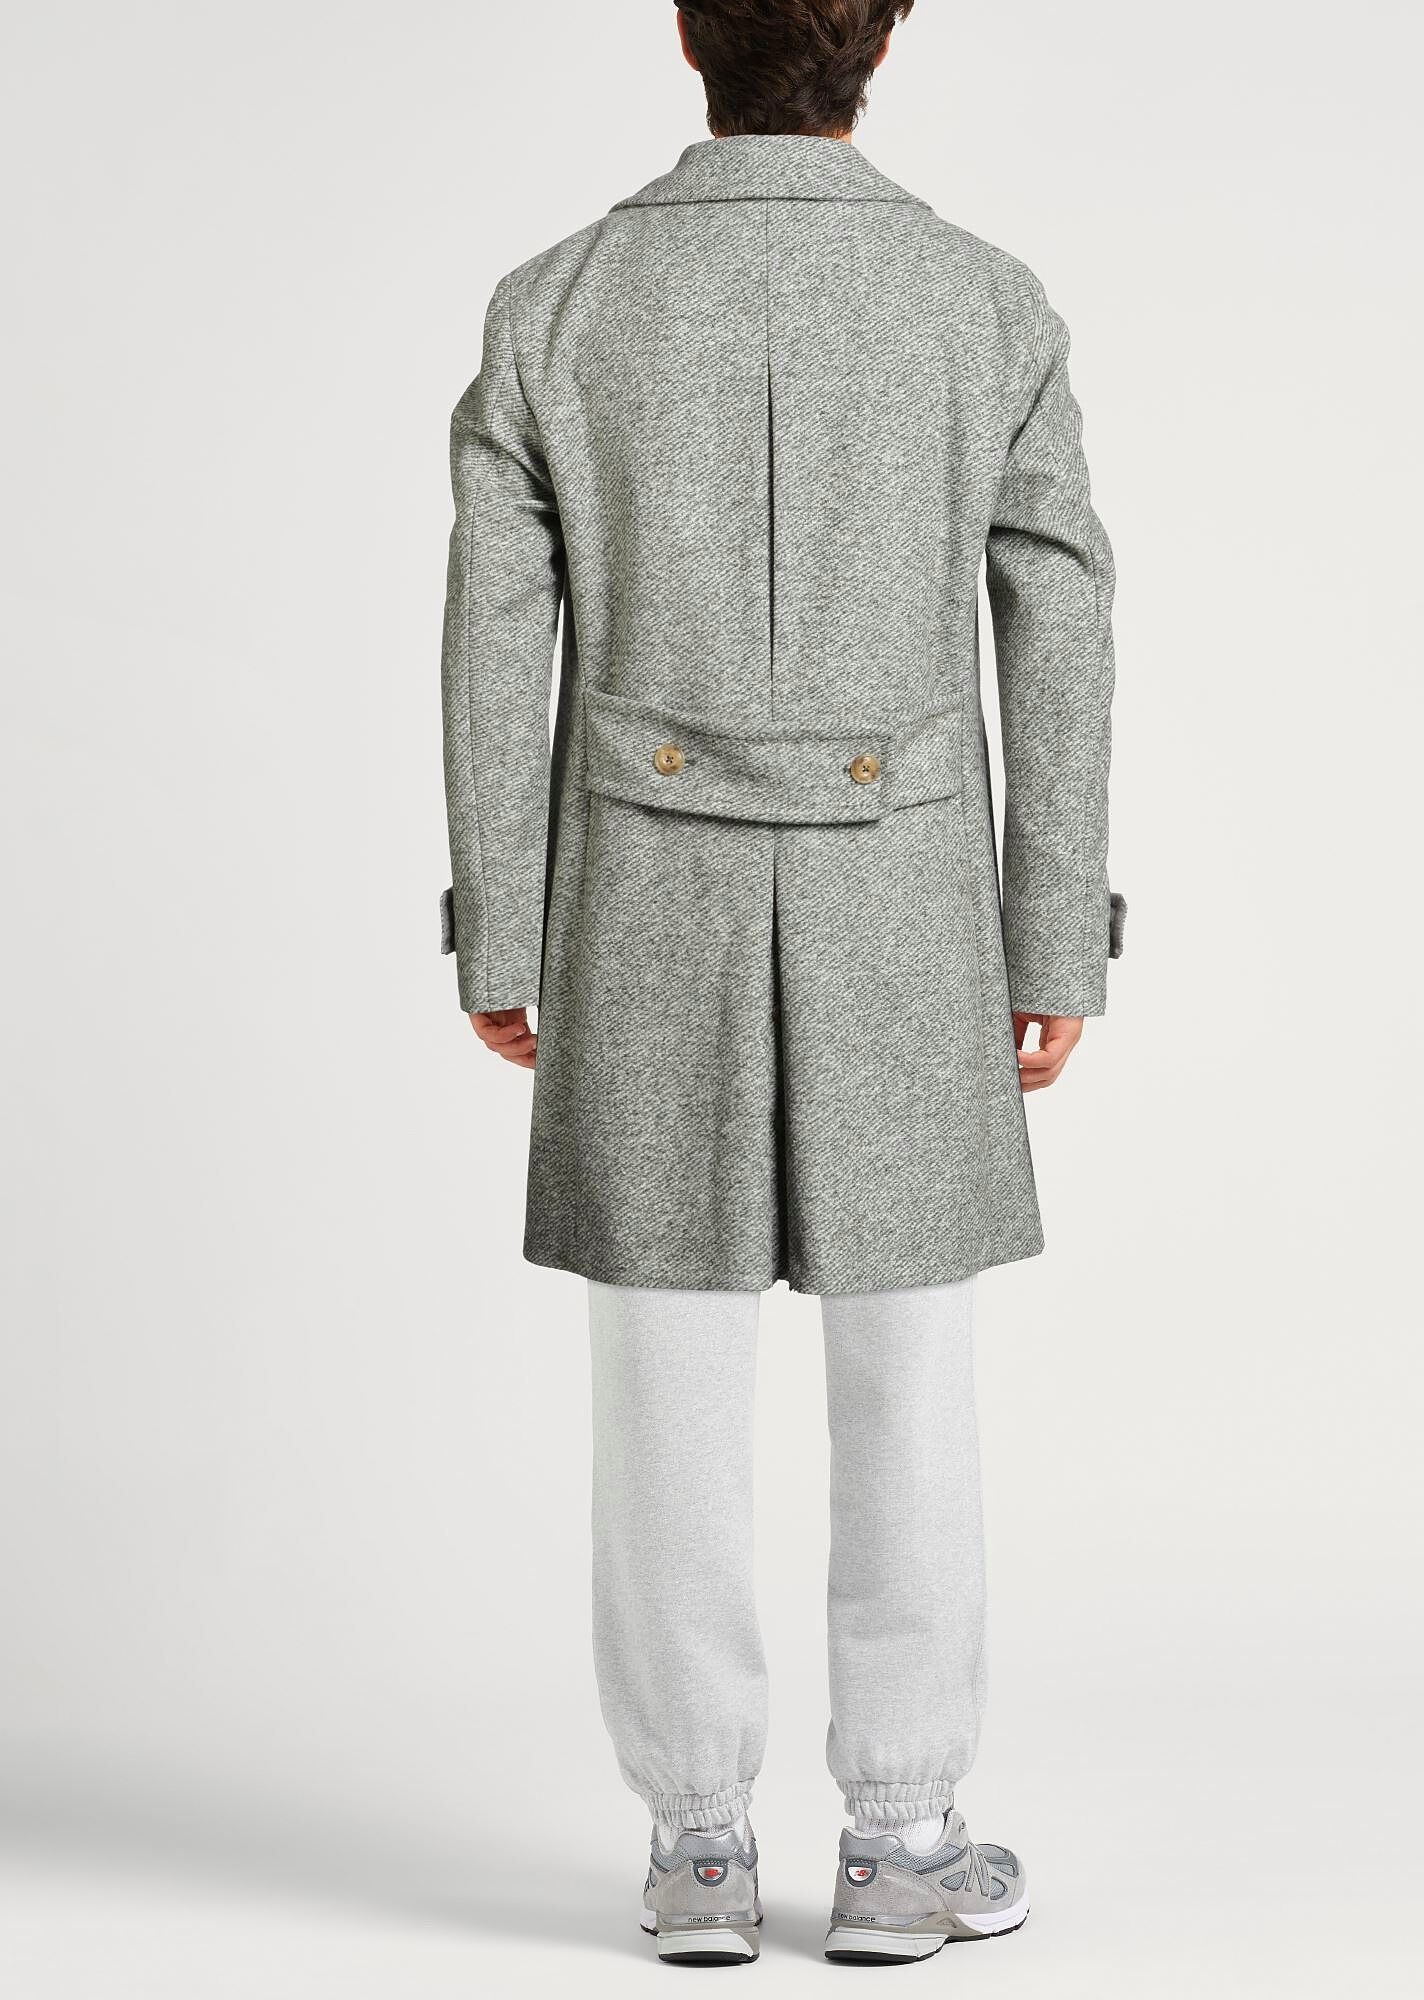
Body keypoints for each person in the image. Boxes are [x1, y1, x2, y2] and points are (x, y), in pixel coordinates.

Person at [437, 0, 1122, 1967]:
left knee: (664, 1375)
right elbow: (1061, 613)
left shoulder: (556, 307)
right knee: (910, 1374)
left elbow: (494, 630)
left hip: (638, 888)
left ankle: (697, 1847)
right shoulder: (984, 301)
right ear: (879, 43)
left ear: (690, 40)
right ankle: (902, 1840)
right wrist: (1051, 932)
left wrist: (505, 926)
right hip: (904, 885)